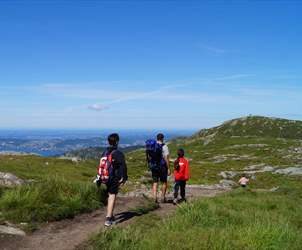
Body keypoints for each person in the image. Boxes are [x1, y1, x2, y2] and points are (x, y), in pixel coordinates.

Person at [102, 133, 127, 227]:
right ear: (117, 141)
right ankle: (108, 219)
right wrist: (124, 178)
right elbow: (123, 167)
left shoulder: (105, 151)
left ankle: (111, 215)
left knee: (110, 195)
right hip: (113, 177)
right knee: (112, 196)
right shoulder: (118, 153)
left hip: (106, 177)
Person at [147, 133, 171, 203]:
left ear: (157, 138)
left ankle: (154, 197)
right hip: (162, 167)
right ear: (162, 138)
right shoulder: (164, 146)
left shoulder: (152, 146)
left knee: (155, 182)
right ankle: (162, 197)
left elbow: (149, 157)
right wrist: (168, 168)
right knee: (164, 182)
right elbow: (166, 158)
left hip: (154, 166)